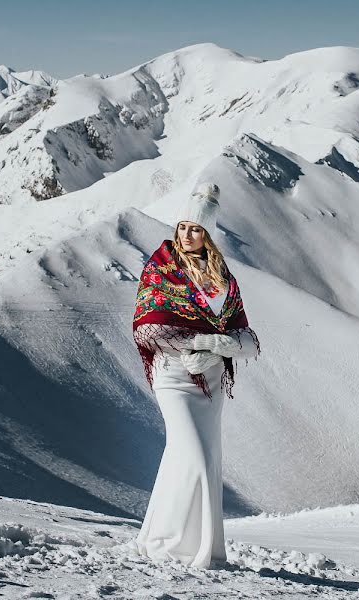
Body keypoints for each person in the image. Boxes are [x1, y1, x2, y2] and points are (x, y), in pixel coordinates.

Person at [131, 182, 260, 568]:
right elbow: (147, 329)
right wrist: (203, 342)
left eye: (197, 229)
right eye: (184, 227)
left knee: (187, 458)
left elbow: (248, 336)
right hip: (173, 374)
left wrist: (220, 348)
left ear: (208, 234)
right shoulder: (161, 267)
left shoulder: (222, 278)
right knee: (195, 456)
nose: (188, 235)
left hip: (212, 380)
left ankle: (163, 540)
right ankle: (177, 544)